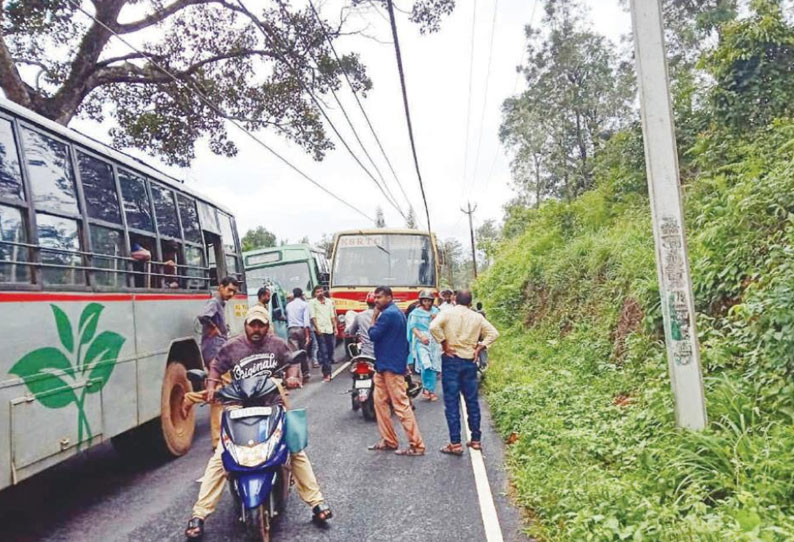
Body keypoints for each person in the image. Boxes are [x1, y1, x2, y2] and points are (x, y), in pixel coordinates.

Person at [184, 306, 332, 539]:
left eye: (261, 325)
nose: (256, 329)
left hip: (272, 406)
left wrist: (293, 377)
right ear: (246, 325)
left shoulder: (277, 344)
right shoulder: (232, 346)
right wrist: (211, 388)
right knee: (221, 458)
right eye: (253, 324)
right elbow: (215, 367)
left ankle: (317, 503)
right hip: (237, 408)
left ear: (267, 326)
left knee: (295, 450)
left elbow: (292, 360)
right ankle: (199, 514)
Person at [430, 289, 499, 455]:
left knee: (452, 403)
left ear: (454, 299)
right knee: (472, 402)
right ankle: (475, 440)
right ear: (470, 302)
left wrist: (444, 344)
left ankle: (455, 443)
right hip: (469, 361)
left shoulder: (447, 313)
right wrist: (479, 347)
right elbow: (493, 333)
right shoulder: (477, 317)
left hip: (451, 359)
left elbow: (433, 327)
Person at [367, 286, 426, 456]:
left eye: (379, 297)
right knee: (379, 402)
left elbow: (373, 335)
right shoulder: (396, 312)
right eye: (375, 297)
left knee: (400, 405)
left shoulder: (388, 315)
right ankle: (389, 440)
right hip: (384, 365)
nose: (376, 300)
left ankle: (417, 445)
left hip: (390, 367)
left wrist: (373, 317)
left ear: (389, 297)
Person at [197, 276, 238, 449]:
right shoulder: (214, 302)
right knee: (225, 394)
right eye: (229, 290)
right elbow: (203, 317)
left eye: (234, 292)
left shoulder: (221, 304)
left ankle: (218, 439)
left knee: (219, 396)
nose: (231, 294)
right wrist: (214, 329)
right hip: (215, 353)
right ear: (220, 287)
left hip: (218, 351)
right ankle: (223, 438)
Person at [407, 289, 441, 402]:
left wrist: (436, 319)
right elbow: (413, 327)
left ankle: (429, 390)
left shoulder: (436, 311)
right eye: (425, 301)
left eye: (429, 301)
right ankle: (427, 388)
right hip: (421, 340)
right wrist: (421, 337)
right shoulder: (416, 313)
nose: (427, 303)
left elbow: (442, 325)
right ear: (421, 301)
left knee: (433, 366)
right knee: (425, 364)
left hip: (434, 340)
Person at [309, 285, 337, 382]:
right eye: (317, 292)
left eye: (321, 291)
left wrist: (335, 327)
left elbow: (332, 316)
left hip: (329, 329)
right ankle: (327, 373)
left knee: (330, 350)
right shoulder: (312, 303)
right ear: (315, 293)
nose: (320, 293)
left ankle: (326, 368)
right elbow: (313, 317)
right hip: (320, 330)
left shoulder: (329, 302)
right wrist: (317, 328)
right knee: (323, 351)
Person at [286, 287, 312, 382]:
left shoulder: (288, 305)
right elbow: (306, 322)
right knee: (303, 352)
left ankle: (296, 375)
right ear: (301, 295)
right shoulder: (305, 305)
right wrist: (308, 336)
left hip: (291, 329)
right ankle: (305, 372)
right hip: (301, 330)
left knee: (295, 354)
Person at [345, 290, 376, 357]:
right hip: (382, 353)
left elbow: (351, 332)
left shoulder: (359, 316)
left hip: (366, 354)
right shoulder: (384, 315)